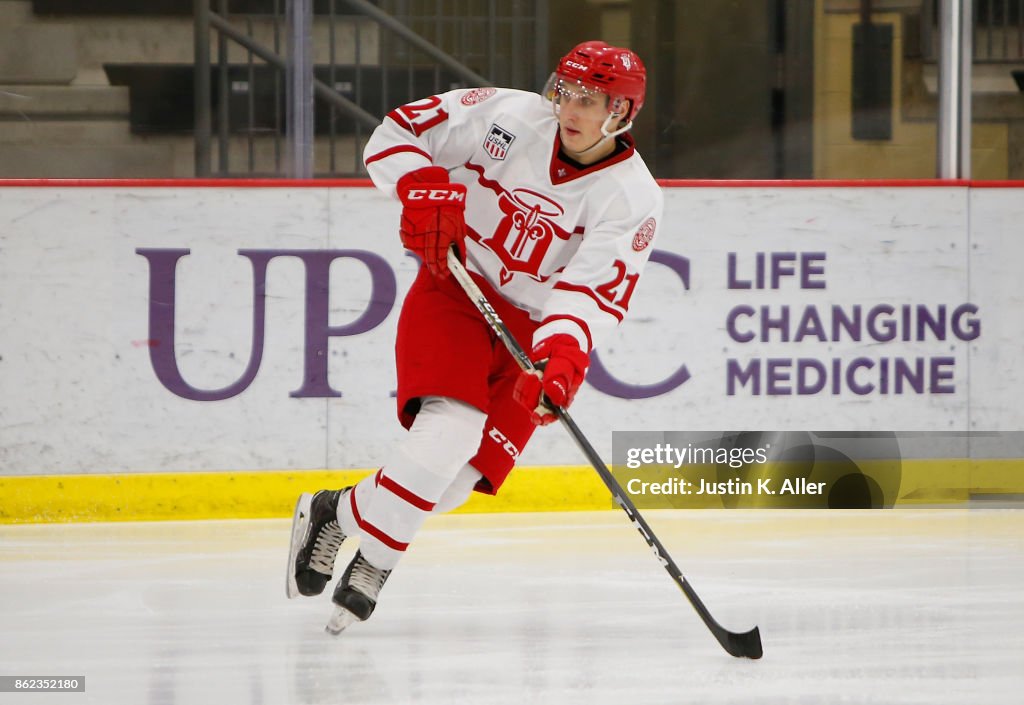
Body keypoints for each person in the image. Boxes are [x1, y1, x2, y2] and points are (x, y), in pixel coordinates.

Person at [286, 40, 664, 634]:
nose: (569, 107)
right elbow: (397, 132)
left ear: (621, 112)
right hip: (458, 290)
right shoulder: (507, 116)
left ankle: (337, 512)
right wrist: (423, 186)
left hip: (535, 332)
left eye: (588, 99)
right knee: (448, 434)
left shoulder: (633, 198)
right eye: (565, 91)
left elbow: (588, 295)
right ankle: (379, 560)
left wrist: (561, 362)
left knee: (456, 484)